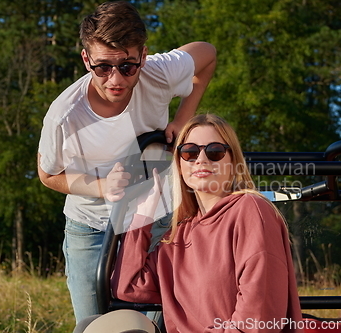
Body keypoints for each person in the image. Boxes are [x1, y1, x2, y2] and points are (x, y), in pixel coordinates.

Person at [36, 0, 216, 323]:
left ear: (143, 57)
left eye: (127, 66)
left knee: (157, 321)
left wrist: (183, 120)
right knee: (95, 325)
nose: (115, 79)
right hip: (90, 228)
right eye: (103, 67)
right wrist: (102, 186)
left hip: (155, 221)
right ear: (86, 59)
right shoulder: (64, 116)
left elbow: (207, 54)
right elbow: (48, 173)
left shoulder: (159, 73)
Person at [108, 114, 304, 332]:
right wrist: (143, 217)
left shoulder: (251, 210)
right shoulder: (179, 235)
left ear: (233, 161)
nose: (201, 159)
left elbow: (257, 319)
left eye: (214, 152)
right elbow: (127, 286)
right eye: (190, 152)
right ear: (180, 165)